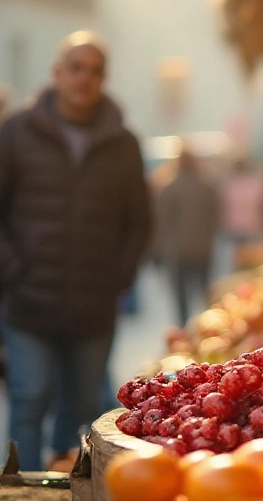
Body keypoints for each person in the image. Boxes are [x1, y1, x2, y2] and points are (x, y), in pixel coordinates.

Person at [0, 31, 151, 471]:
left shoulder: (124, 143)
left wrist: (117, 278)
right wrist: (12, 270)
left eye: (95, 70)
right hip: (28, 301)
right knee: (30, 397)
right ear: (57, 72)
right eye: (76, 67)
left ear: (104, 79)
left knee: (83, 403)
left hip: (93, 305)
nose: (84, 78)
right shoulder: (15, 133)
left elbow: (139, 223)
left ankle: (63, 482)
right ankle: (22, 488)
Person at [154, 144, 220, 325]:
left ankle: (184, 328)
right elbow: (215, 217)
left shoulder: (169, 188)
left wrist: (161, 248)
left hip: (178, 251)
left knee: (181, 299)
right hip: (202, 249)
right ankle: (210, 325)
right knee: (204, 292)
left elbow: (162, 222)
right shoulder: (206, 186)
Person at [221, 155, 263, 266]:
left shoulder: (229, 185)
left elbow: (224, 206)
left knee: (239, 259)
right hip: (253, 225)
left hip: (235, 226)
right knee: (252, 258)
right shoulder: (255, 184)